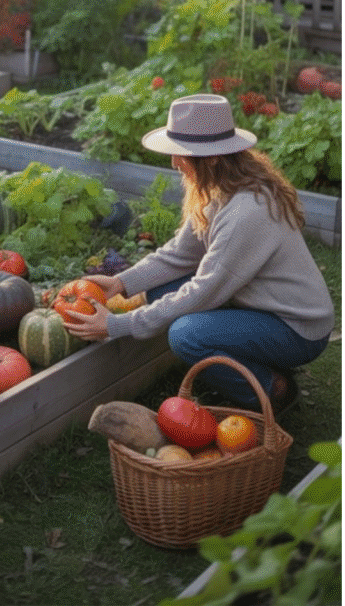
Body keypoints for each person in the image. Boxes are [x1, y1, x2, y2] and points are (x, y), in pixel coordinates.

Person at [64, 94, 335, 415]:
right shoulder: (222, 188)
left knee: (187, 335)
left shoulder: (247, 212)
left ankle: (274, 390)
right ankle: (253, 360)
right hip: (264, 308)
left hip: (296, 330)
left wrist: (117, 325)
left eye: (180, 155)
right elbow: (179, 255)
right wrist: (120, 283)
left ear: (210, 159)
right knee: (159, 289)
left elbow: (204, 291)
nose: (174, 163)